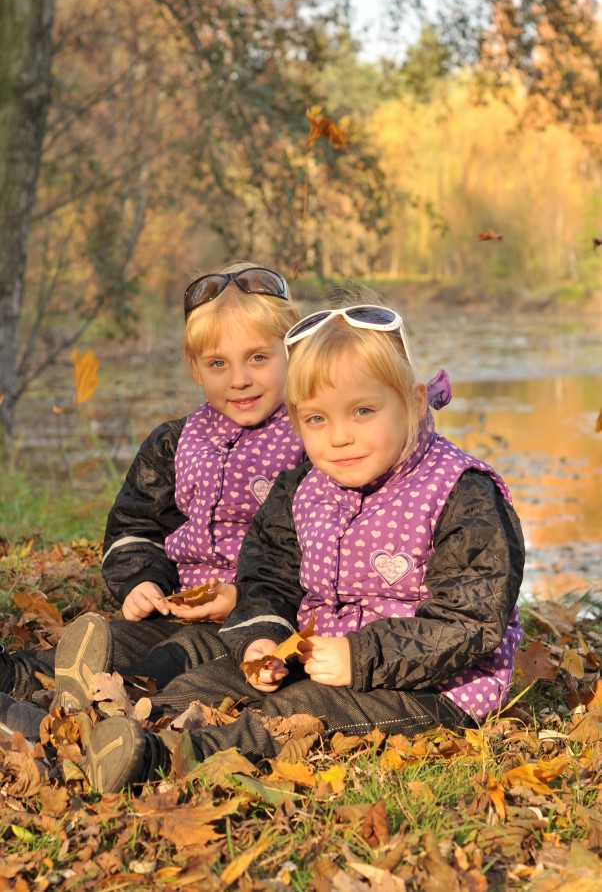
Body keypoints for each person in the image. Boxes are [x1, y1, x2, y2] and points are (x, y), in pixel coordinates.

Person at [69, 299, 525, 792]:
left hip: (429, 686)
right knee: (209, 678)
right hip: (315, 654)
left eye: (363, 411)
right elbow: (269, 574)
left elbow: (469, 621)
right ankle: (109, 727)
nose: (340, 437)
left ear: (413, 402)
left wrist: (361, 655)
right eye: (316, 420)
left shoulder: (461, 492)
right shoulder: (303, 485)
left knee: (299, 712)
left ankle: (160, 759)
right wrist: (261, 638)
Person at [0, 263, 305, 736]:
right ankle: (20, 687)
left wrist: (244, 599)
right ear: (195, 368)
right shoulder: (175, 441)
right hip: (178, 603)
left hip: (260, 620)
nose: (239, 379)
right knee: (107, 643)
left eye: (259, 358)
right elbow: (135, 524)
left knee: (167, 667)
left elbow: (327, 546)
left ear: (294, 355)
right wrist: (142, 578)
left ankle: (97, 727)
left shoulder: (314, 437)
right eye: (219, 364)